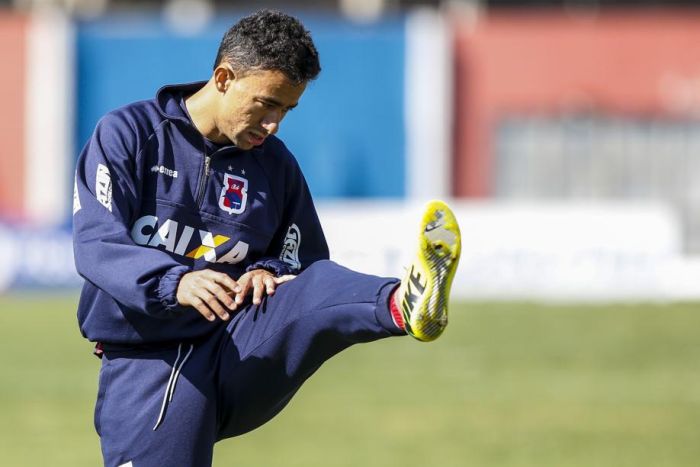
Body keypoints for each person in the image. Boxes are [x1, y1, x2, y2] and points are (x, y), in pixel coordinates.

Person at [72, 9, 461, 467]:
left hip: (239, 346)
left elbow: (302, 258)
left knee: (313, 285)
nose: (274, 123)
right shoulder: (130, 134)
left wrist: (268, 269)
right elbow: (97, 243)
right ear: (224, 78)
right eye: (267, 103)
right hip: (149, 364)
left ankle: (403, 304)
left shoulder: (275, 165)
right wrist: (174, 282)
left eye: (286, 110)